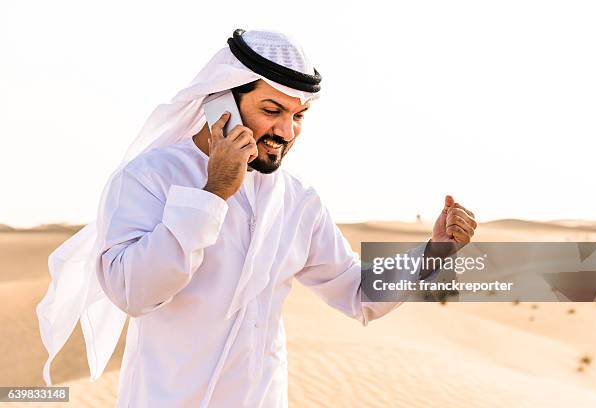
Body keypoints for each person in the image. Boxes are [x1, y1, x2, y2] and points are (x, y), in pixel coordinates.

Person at [37, 29, 477, 407]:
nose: (286, 132)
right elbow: (133, 291)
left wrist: (432, 253)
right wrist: (213, 196)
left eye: (298, 116)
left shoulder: (299, 201)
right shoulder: (149, 178)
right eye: (272, 111)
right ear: (221, 104)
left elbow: (355, 290)